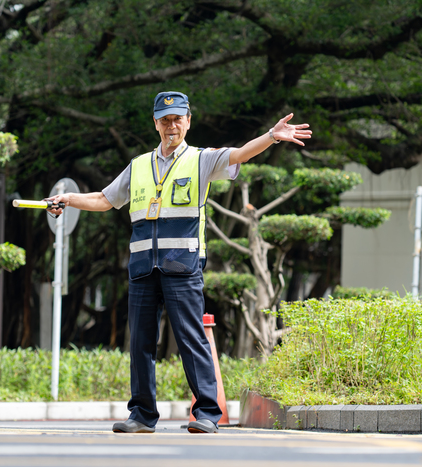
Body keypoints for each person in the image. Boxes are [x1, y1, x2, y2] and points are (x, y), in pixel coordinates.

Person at [47, 91, 312, 434]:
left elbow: (240, 153)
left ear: (188, 121)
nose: (171, 126)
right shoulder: (139, 165)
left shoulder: (201, 160)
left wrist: (272, 137)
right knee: (140, 342)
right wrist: (68, 199)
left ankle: (205, 414)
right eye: (165, 120)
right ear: (155, 123)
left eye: (177, 119)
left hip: (182, 266)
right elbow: (104, 199)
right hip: (143, 267)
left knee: (190, 337)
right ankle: (141, 415)